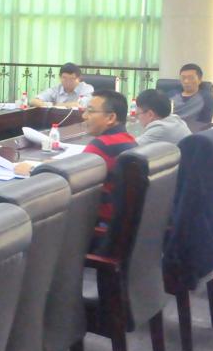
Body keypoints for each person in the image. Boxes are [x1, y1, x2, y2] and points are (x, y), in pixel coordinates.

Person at [81, 91, 138, 250]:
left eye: (90, 111)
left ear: (111, 118)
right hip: (123, 231)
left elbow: (72, 180)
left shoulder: (101, 145)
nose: (84, 116)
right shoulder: (128, 139)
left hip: (101, 231)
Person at [30, 62, 94, 108]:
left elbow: (80, 105)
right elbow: (34, 101)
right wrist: (54, 105)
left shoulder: (87, 89)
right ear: (60, 77)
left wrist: (51, 105)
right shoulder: (56, 89)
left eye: (72, 79)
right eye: (64, 78)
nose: (68, 82)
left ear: (79, 79)